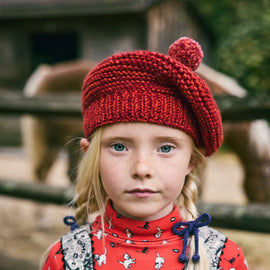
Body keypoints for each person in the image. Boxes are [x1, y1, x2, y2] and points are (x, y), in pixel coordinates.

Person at [41, 37, 248, 270]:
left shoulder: (225, 259)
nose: (141, 169)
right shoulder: (63, 259)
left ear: (192, 160)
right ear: (91, 156)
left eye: (166, 148)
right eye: (119, 146)